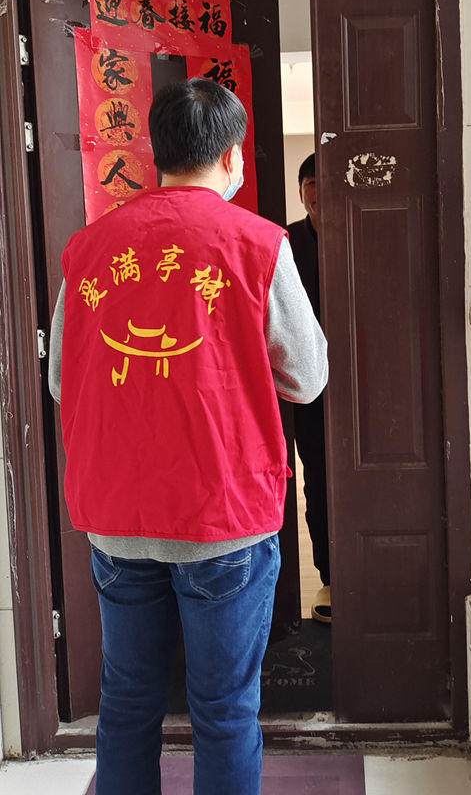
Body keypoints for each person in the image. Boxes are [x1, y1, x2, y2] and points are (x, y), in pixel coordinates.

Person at [48, 80, 328, 795]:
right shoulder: (259, 244)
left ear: (155, 151)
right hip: (222, 514)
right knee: (225, 709)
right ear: (232, 157)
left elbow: (60, 380)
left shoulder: (90, 248)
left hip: (116, 516)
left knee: (127, 700)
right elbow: (307, 378)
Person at [287, 153, 331, 623]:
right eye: (311, 182)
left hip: (359, 384)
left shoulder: (359, 236)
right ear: (301, 192)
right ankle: (329, 573)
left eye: (325, 181)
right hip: (306, 386)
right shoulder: (287, 242)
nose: (318, 191)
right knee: (316, 478)